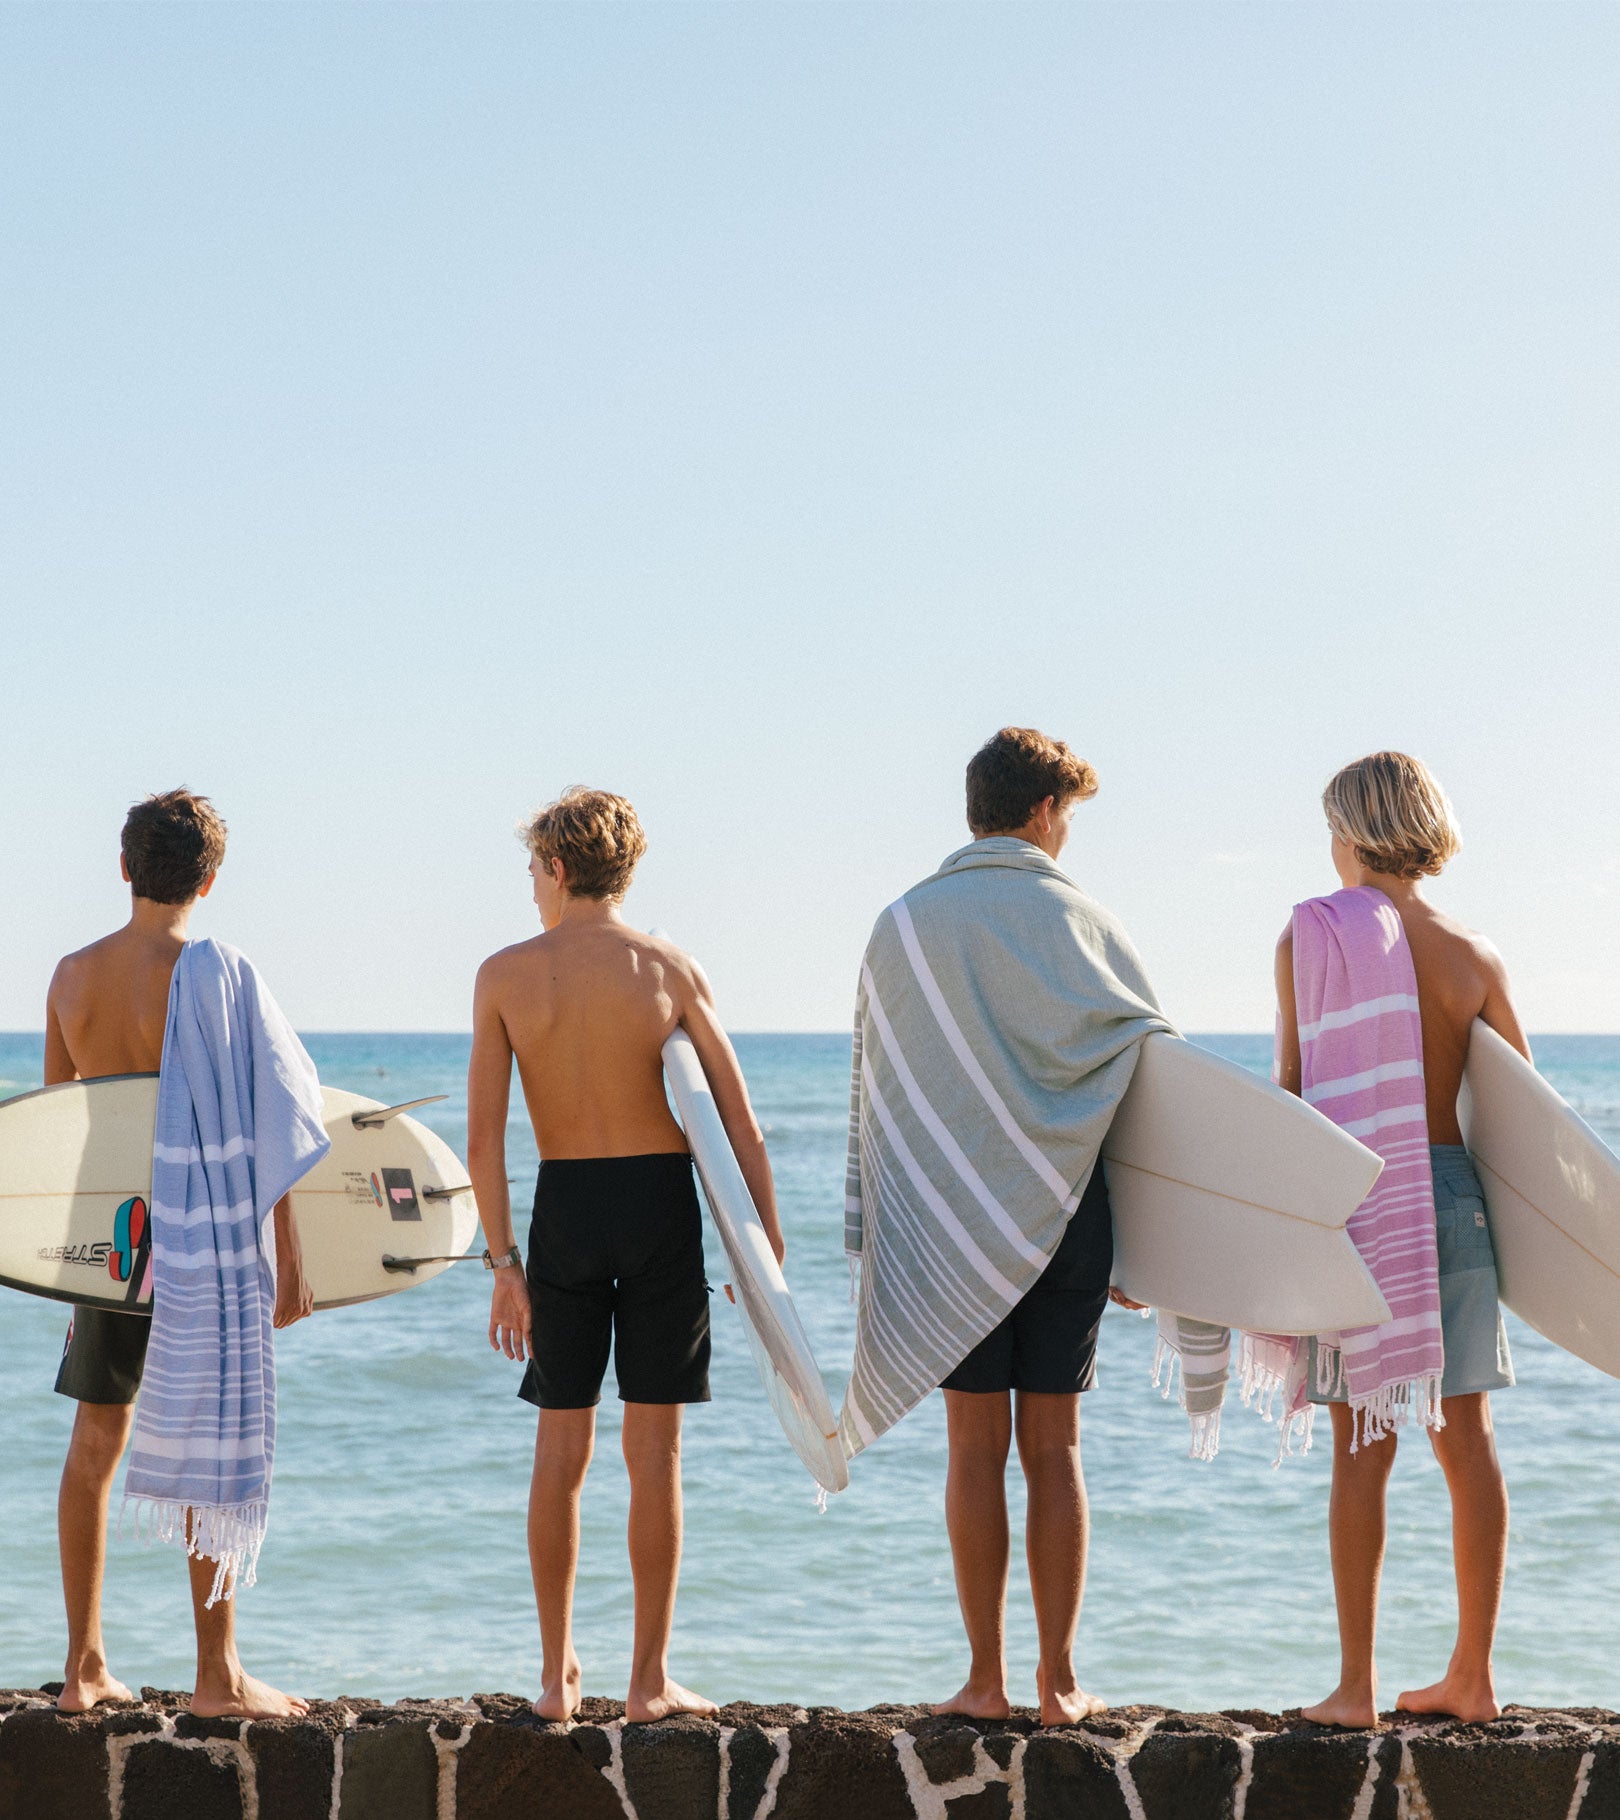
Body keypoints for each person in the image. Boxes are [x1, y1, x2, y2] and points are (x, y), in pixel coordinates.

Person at [841, 728, 1172, 1725]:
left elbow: (881, 1083)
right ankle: (1059, 1682)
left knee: (972, 1447)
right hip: (1066, 1210)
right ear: (1040, 812)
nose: (1066, 832)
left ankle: (984, 1678)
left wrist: (882, 1224)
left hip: (950, 1218)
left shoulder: (901, 925)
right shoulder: (1081, 919)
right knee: (1055, 1447)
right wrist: (1152, 1236)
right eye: (1066, 812)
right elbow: (1141, 1068)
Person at [467, 786, 784, 1725]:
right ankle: (648, 1682)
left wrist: (504, 1266)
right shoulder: (669, 968)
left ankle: (558, 1676)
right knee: (657, 1454)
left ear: (560, 868)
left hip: (565, 1206)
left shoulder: (505, 976)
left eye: (533, 869)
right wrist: (766, 1250)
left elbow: (485, 1143)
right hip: (658, 1208)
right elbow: (743, 1127)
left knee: (561, 1449)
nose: (530, 886)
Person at [46, 790, 317, 1718]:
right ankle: (217, 1674)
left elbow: (52, 1129)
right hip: (201, 1247)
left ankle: (83, 1667)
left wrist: (66, 1264)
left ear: (124, 869)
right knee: (210, 1444)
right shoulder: (218, 979)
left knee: (93, 1446)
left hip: (112, 1249)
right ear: (209, 879)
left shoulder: (72, 978)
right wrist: (290, 1250)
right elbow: (273, 1122)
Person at [1279, 752, 1524, 1728]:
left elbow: (1295, 1093)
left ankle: (1355, 1685)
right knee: (1466, 1442)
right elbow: (1521, 1117)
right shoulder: (1475, 952)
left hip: (1361, 1199)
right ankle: (1473, 1673)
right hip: (1454, 1196)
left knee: (1358, 1448)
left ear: (1350, 833)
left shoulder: (1312, 936)